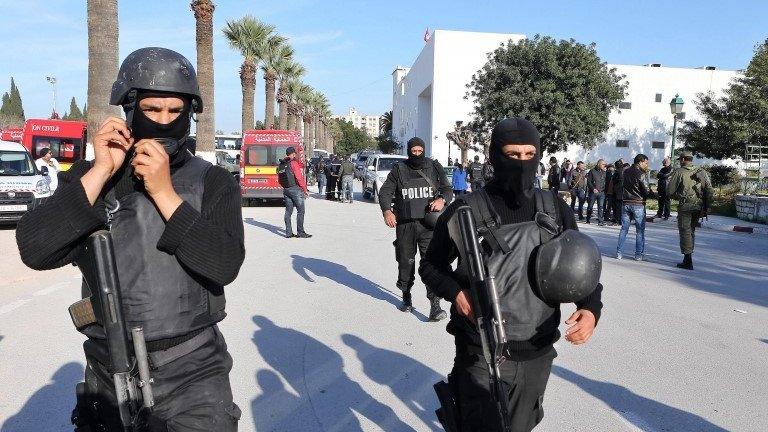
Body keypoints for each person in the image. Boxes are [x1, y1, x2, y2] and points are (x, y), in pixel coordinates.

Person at [16, 47, 244, 430]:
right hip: (110, 372)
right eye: (152, 111)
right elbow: (36, 249)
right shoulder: (96, 176)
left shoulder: (213, 182)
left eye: (175, 112)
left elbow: (223, 264)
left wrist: (165, 194)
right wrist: (102, 170)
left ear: (190, 112)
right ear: (130, 109)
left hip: (194, 375)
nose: (164, 122)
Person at [420, 118, 603, 432]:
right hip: (481, 348)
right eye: (512, 155)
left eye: (529, 154)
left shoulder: (555, 208)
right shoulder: (465, 211)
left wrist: (590, 309)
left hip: (538, 350)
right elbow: (430, 266)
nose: (521, 163)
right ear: (494, 156)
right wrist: (456, 293)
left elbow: (578, 269)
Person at [378, 137, 453, 321]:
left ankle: (435, 306)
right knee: (406, 262)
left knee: (431, 263)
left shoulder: (434, 166)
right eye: (414, 151)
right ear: (409, 151)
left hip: (429, 226)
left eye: (420, 151)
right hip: (405, 225)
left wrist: (442, 199)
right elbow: (385, 191)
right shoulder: (399, 169)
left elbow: (447, 188)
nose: (417, 154)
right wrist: (387, 211)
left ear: (424, 150)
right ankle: (406, 295)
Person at [667, 151, 713, 270]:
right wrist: (707, 206)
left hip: (685, 206)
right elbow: (709, 189)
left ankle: (688, 260)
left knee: (685, 231)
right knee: (691, 231)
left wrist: (677, 196)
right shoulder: (701, 171)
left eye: (680, 160)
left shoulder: (679, 172)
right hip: (699, 206)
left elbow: (670, 191)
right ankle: (688, 257)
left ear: (683, 160)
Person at [616, 154, 652, 260]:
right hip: (638, 203)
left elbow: (623, 186)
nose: (647, 165)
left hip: (626, 202)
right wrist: (654, 195)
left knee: (624, 229)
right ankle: (638, 255)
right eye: (646, 163)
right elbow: (646, 190)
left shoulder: (625, 171)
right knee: (640, 231)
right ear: (640, 162)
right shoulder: (641, 174)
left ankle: (619, 253)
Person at [282, 147, 311, 238]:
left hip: (286, 189)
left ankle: (289, 233)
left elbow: (280, 179)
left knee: (288, 211)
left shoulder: (282, 164)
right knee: (301, 211)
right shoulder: (293, 163)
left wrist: (286, 187)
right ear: (293, 154)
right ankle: (300, 232)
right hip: (295, 189)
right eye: (294, 153)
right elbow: (299, 178)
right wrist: (305, 190)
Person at [586, 159, 607, 225]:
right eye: (603, 164)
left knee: (601, 207)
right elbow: (589, 182)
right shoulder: (592, 171)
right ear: (599, 164)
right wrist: (593, 189)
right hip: (593, 192)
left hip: (601, 192)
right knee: (590, 206)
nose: (604, 165)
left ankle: (600, 221)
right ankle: (588, 219)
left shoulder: (604, 172)